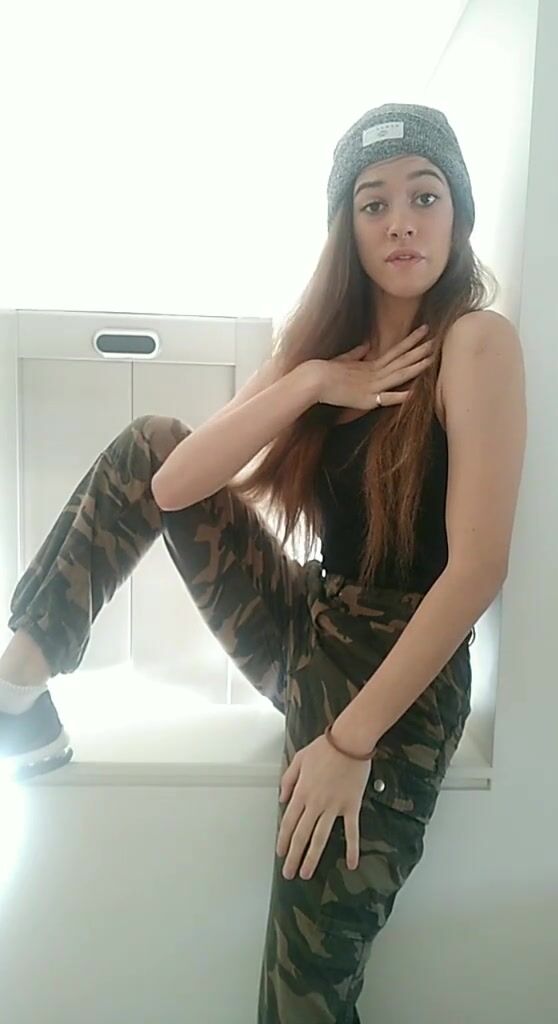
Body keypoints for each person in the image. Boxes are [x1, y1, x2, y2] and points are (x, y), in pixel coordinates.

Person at [0, 102, 526, 1022]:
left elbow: (477, 569)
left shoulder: (476, 342)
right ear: (346, 228)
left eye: (424, 196)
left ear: (459, 212)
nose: (401, 222)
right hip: (309, 623)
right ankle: (16, 683)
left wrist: (347, 745)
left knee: (301, 996)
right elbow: (173, 483)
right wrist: (318, 378)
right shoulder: (323, 347)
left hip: (396, 680)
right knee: (150, 441)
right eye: (373, 203)